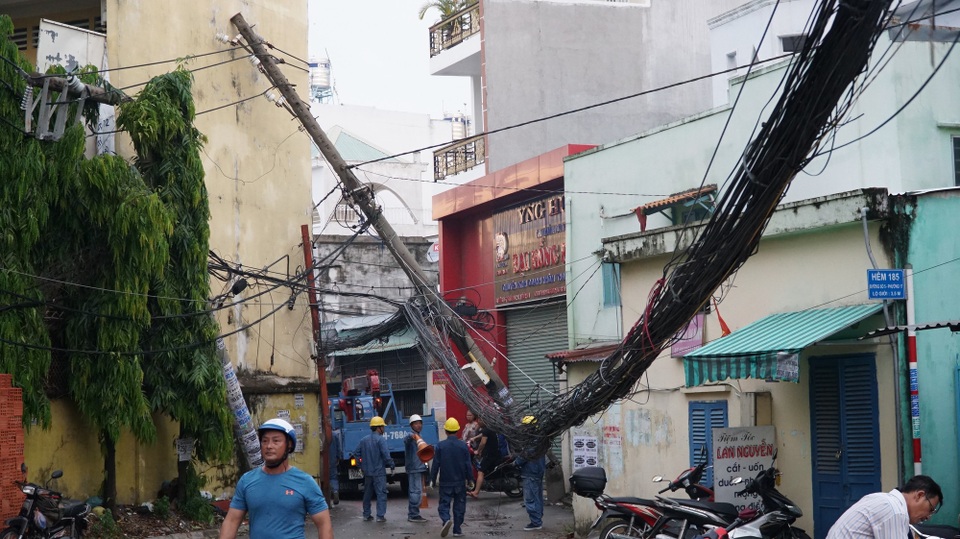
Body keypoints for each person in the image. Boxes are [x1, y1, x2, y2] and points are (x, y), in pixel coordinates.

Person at [219, 418, 333, 539]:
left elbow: (324, 524)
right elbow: (231, 522)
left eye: (276, 441)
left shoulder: (305, 482)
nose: (269, 446)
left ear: (289, 444)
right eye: (264, 441)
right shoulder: (247, 481)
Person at [826, 475, 943, 539]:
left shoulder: (883, 499)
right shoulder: (894, 511)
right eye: (930, 509)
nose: (928, 517)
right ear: (919, 495)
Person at [430, 417, 473, 538]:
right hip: (460, 482)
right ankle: (457, 530)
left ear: (446, 431)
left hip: (445, 482)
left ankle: (446, 519)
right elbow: (467, 465)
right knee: (459, 506)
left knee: (444, 504)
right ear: (457, 430)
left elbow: (436, 464)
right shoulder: (463, 446)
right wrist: (470, 479)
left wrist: (432, 480)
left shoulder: (440, 446)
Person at [356, 416, 395, 523]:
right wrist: (391, 465)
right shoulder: (381, 440)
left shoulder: (364, 440)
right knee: (381, 493)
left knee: (367, 494)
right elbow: (386, 455)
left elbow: (356, 453)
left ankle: (366, 514)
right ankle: (380, 516)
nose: (384, 429)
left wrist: (361, 466)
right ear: (379, 428)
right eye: (383, 426)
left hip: (368, 472)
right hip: (379, 472)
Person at [403, 414, 429, 523]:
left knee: (417, 492)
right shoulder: (411, 436)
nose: (418, 425)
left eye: (420, 423)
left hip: (419, 468)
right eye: (416, 423)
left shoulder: (419, 436)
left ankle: (415, 513)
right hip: (414, 468)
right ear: (411, 425)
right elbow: (406, 439)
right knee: (415, 491)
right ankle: (413, 514)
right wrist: (412, 436)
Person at [467, 416, 502, 498]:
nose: (478, 421)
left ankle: (476, 492)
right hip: (495, 453)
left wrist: (478, 451)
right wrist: (474, 438)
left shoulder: (486, 429)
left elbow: (483, 442)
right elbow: (483, 435)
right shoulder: (490, 428)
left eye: (479, 420)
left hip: (490, 455)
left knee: (480, 471)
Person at [514, 451, 545, 531]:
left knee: (530, 499)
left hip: (531, 472)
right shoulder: (540, 441)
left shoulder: (532, 441)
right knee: (537, 497)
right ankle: (537, 520)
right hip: (537, 471)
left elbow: (526, 454)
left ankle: (536, 522)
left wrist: (516, 462)